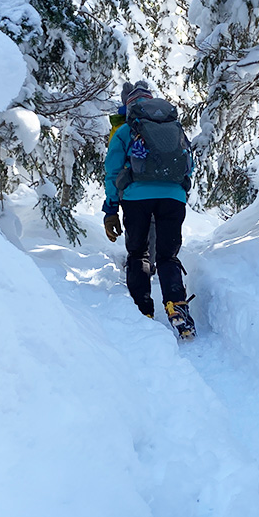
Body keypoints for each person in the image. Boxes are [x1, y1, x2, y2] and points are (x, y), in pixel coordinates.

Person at [103, 80, 195, 338]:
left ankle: (142, 311)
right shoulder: (173, 128)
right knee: (168, 256)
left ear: (129, 106)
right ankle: (177, 306)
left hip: (136, 198)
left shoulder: (125, 131)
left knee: (138, 254)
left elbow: (112, 171)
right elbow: (189, 165)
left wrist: (111, 208)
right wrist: (179, 192)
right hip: (173, 197)